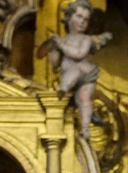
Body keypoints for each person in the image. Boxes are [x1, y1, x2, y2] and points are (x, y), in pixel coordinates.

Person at [37, 1, 112, 140]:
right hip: (68, 77)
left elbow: (78, 54)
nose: (82, 22)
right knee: (77, 93)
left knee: (84, 98)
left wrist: (61, 44)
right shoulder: (63, 40)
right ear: (69, 17)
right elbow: (55, 64)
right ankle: (64, 89)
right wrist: (54, 50)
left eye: (86, 19)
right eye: (79, 17)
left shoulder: (86, 40)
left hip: (85, 76)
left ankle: (85, 128)